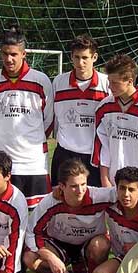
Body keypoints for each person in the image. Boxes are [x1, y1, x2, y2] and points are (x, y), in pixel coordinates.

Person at [23, 158, 138, 273]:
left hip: (88, 245)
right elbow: (32, 231)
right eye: (74, 186)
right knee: (30, 258)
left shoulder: (98, 196)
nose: (80, 190)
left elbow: (135, 190)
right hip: (59, 244)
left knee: (100, 245)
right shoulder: (50, 202)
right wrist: (51, 258)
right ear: (62, 186)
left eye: (83, 184)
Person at [0, 26, 54, 209]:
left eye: (14, 54)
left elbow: (48, 120)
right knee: (1, 211)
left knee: (37, 214)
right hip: (1, 160)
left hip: (33, 162)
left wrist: (33, 138)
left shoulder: (41, 81)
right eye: (5, 54)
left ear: (24, 54)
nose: (9, 59)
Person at [91, 53, 138, 193]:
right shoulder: (104, 108)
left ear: (130, 81)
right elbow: (101, 147)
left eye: (115, 83)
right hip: (111, 183)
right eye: (109, 81)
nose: (110, 87)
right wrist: (105, 180)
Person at [51, 34, 110, 187]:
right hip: (65, 153)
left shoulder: (106, 83)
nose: (80, 62)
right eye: (76, 57)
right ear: (71, 57)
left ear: (94, 57)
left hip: (94, 155)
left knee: (94, 204)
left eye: (85, 57)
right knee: (61, 201)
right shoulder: (59, 82)